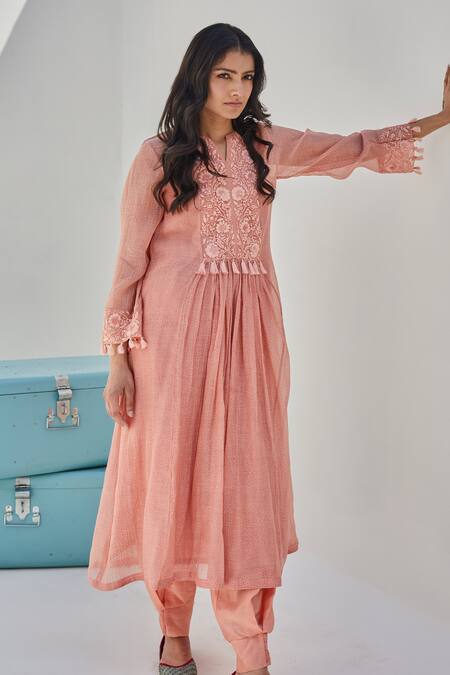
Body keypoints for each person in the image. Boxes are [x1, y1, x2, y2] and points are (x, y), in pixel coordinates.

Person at [87, 22, 449, 675]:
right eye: (224, 75)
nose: (236, 88)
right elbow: (128, 263)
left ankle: (250, 652)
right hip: (168, 345)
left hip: (249, 342)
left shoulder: (264, 146)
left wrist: (441, 118)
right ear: (198, 77)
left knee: (242, 489)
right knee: (172, 483)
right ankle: (174, 633)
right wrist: (117, 362)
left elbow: (351, 147)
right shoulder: (158, 155)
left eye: (247, 76)